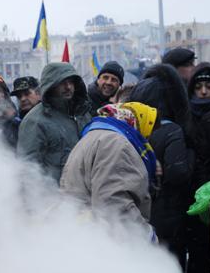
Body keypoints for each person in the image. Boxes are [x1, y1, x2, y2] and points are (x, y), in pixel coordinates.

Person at [129, 64, 195, 267]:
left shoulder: (128, 132)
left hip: (137, 215)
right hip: (168, 216)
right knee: (170, 271)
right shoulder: (172, 130)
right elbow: (178, 173)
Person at [60, 102, 156, 241]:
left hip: (80, 233)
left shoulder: (93, 135)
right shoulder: (116, 144)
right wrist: (145, 236)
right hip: (105, 241)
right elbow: (114, 205)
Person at [17, 62, 91, 183]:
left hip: (86, 192)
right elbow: (28, 169)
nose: (68, 87)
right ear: (50, 85)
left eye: (70, 82)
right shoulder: (35, 121)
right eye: (62, 82)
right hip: (57, 196)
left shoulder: (83, 114)